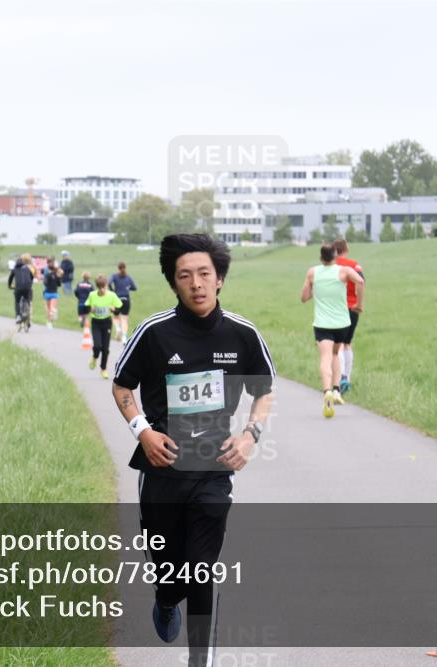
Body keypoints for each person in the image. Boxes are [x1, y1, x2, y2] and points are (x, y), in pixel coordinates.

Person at [111, 233, 275, 667]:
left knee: (201, 569)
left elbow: (263, 391)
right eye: (186, 276)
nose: (196, 283)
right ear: (174, 283)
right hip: (161, 471)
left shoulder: (241, 334)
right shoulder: (154, 333)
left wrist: (249, 437)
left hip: (213, 471)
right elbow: (122, 384)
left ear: (219, 279)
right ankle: (166, 600)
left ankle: (198, 661)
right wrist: (142, 431)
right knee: (170, 573)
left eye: (205, 273)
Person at [301, 242, 364, 418]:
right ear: (335, 256)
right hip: (342, 323)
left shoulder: (313, 272)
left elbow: (304, 297)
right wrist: (359, 304)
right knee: (336, 354)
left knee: (325, 357)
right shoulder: (343, 271)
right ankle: (336, 390)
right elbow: (360, 280)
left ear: (321, 257)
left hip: (322, 324)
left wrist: (316, 288)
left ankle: (327, 390)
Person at [333, 239, 365, 394]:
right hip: (352, 307)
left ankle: (341, 377)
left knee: (336, 344)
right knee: (347, 343)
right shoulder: (354, 265)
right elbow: (361, 282)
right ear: (346, 249)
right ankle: (348, 378)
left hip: (336, 308)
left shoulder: (330, 266)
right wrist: (360, 304)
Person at [83, 275, 122, 379]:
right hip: (96, 323)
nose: (102, 290)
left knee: (105, 349)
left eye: (103, 287)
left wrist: (114, 310)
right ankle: (95, 357)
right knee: (97, 346)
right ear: (97, 287)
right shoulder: (92, 295)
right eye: (99, 287)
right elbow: (86, 307)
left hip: (107, 323)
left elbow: (119, 310)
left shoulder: (111, 296)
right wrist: (90, 309)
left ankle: (103, 369)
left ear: (106, 286)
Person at [110, 261, 138, 342]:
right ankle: (124, 337)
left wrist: (112, 291)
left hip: (117, 299)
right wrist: (128, 288)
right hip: (126, 299)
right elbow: (135, 288)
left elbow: (109, 283)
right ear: (125, 268)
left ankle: (118, 328)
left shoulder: (114, 276)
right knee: (124, 319)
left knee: (115, 316)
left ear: (118, 268)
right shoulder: (128, 277)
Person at [7, 253, 35, 326]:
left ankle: (18, 316)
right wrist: (30, 284)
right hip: (28, 287)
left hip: (18, 287)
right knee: (27, 298)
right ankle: (27, 312)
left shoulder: (14, 269)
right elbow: (32, 277)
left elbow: (10, 279)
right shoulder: (27, 268)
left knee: (17, 301)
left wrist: (9, 286)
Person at [42, 256, 63, 329]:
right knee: (51, 308)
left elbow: (45, 282)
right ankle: (50, 320)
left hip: (47, 291)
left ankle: (49, 322)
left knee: (49, 308)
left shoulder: (46, 271)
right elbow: (59, 283)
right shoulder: (55, 272)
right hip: (53, 292)